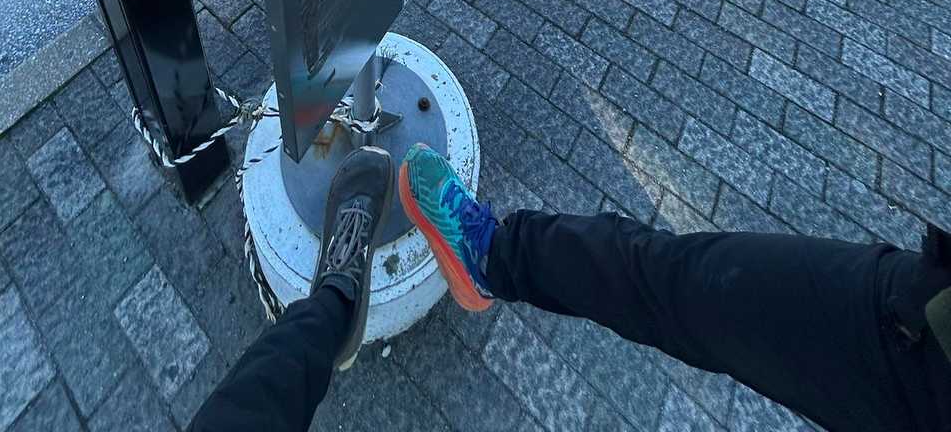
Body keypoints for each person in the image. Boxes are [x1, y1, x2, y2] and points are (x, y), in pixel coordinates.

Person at [193, 144, 951, 432]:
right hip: (923, 321)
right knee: (678, 275)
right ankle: (488, 254)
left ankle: (335, 300)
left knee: (248, 406)